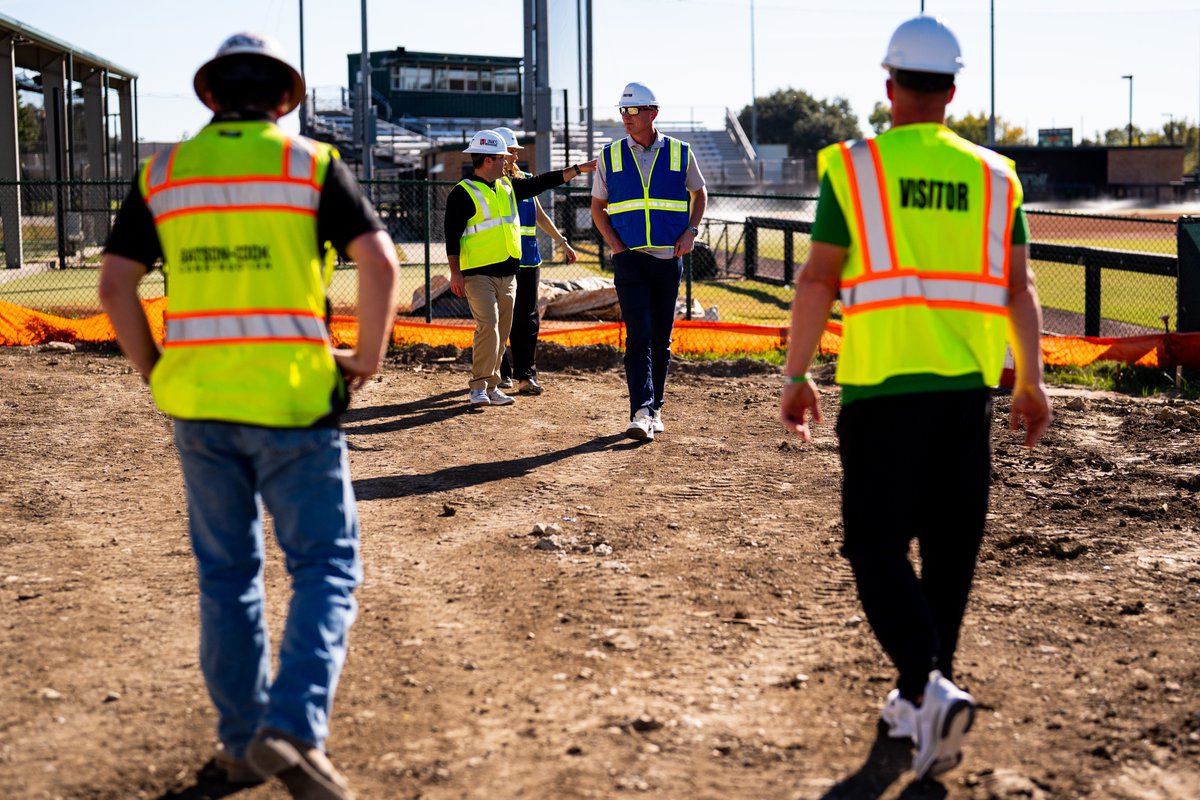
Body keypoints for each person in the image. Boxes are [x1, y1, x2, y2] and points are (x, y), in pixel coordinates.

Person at [98, 32, 398, 800]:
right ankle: (292, 728)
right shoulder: (311, 165)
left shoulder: (163, 172)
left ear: (209, 96)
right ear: (287, 98)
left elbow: (113, 288)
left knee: (227, 577)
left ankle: (239, 745)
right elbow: (382, 264)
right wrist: (365, 359)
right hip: (296, 401)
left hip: (198, 405)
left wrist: (156, 371)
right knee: (324, 566)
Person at [777, 16, 1052, 782]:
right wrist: (1031, 381)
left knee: (873, 545)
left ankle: (926, 684)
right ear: (955, 90)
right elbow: (1020, 289)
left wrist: (797, 377)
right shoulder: (998, 176)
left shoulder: (856, 169)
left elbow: (817, 279)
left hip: (881, 389)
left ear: (889, 86)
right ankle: (925, 698)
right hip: (967, 396)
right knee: (950, 552)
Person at [590, 82, 707, 441]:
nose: (626, 118)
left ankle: (655, 408)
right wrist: (616, 247)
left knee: (661, 337)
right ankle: (641, 411)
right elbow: (597, 208)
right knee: (638, 336)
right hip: (629, 261)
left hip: (667, 259)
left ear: (652, 113)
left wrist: (691, 231)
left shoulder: (679, 152)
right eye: (622, 112)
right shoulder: (609, 156)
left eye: (633, 111)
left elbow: (699, 194)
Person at [445, 130, 595, 406]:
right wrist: (455, 272)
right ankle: (478, 386)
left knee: (502, 330)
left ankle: (492, 386)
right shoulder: (462, 193)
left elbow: (541, 183)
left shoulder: (507, 187)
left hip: (508, 274)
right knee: (488, 326)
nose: (508, 162)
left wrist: (576, 170)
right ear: (488, 160)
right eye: (503, 158)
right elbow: (451, 235)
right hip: (478, 274)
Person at [493, 126, 578, 396]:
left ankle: (526, 376)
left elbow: (539, 215)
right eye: (511, 153)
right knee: (498, 318)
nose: (515, 158)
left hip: (529, 259)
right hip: (502, 258)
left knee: (527, 319)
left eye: (516, 152)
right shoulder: (494, 186)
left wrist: (561, 241)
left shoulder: (527, 179)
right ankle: (501, 373)